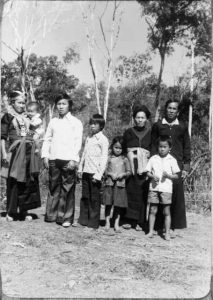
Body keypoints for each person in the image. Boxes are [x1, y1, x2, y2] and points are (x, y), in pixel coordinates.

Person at [41, 93, 83, 227]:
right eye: (58, 104)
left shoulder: (76, 122)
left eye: (63, 104)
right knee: (53, 187)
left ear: (69, 105)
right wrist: (45, 156)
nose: (61, 106)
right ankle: (51, 215)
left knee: (68, 188)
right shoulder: (53, 121)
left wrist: (74, 159)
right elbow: (47, 139)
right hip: (53, 158)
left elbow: (78, 142)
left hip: (68, 160)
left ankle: (65, 217)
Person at [151, 99, 191, 233]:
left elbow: (187, 146)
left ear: (178, 111)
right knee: (159, 192)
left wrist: (185, 167)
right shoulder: (158, 125)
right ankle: (158, 225)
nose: (171, 111)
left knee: (175, 194)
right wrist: (152, 164)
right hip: (160, 163)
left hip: (176, 164)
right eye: (169, 108)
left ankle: (173, 225)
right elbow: (152, 146)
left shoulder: (182, 126)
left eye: (174, 109)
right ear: (165, 109)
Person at [1, 90, 41, 221]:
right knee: (13, 181)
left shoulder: (28, 117)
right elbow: (2, 137)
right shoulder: (7, 116)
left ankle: (25, 210)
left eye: (24, 103)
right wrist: (4, 153)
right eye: (19, 102)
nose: (22, 105)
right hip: (15, 151)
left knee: (28, 180)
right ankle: (11, 212)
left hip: (28, 151)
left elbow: (35, 132)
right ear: (12, 103)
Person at [122, 105, 151, 231]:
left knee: (142, 193)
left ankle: (140, 221)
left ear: (146, 119)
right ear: (134, 118)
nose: (139, 120)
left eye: (142, 118)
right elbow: (123, 149)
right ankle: (128, 220)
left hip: (145, 166)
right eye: (137, 117)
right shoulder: (128, 132)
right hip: (131, 166)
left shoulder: (150, 133)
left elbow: (154, 150)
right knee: (130, 191)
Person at [77, 114, 109, 229]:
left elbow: (104, 158)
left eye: (95, 124)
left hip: (95, 174)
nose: (92, 126)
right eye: (91, 123)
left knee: (94, 199)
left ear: (101, 126)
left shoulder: (103, 140)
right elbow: (84, 154)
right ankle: (83, 220)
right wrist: (80, 168)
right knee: (85, 196)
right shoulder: (88, 138)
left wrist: (98, 175)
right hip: (86, 171)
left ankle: (93, 223)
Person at [146, 135, 180, 240]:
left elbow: (177, 175)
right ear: (157, 147)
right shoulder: (153, 158)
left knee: (166, 211)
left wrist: (168, 176)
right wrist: (152, 176)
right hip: (154, 188)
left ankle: (167, 233)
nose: (162, 149)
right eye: (160, 146)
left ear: (170, 148)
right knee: (152, 210)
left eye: (165, 146)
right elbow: (147, 172)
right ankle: (151, 231)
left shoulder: (172, 160)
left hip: (166, 189)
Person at [103, 136, 131, 233]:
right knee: (108, 204)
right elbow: (104, 171)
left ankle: (116, 223)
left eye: (120, 148)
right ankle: (107, 222)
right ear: (112, 147)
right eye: (116, 147)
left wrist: (123, 174)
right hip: (110, 184)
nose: (118, 150)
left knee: (118, 206)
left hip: (120, 185)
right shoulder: (109, 158)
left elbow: (129, 172)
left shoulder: (125, 159)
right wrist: (110, 174)